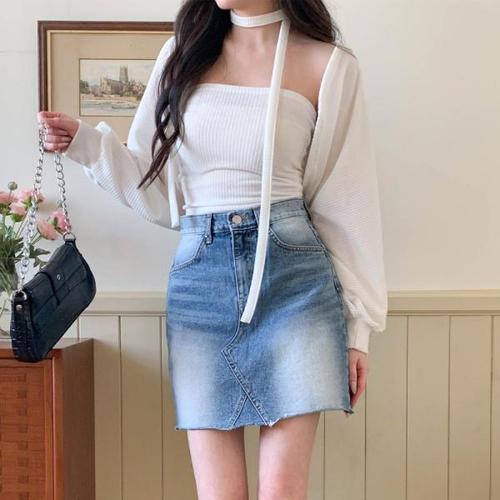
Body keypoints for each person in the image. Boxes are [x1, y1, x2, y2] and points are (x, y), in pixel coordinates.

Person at [38, 1, 388, 498]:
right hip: (201, 283)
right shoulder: (182, 54)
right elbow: (158, 190)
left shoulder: (328, 64)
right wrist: (86, 144)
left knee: (282, 490)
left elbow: (346, 201)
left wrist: (358, 330)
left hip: (294, 282)